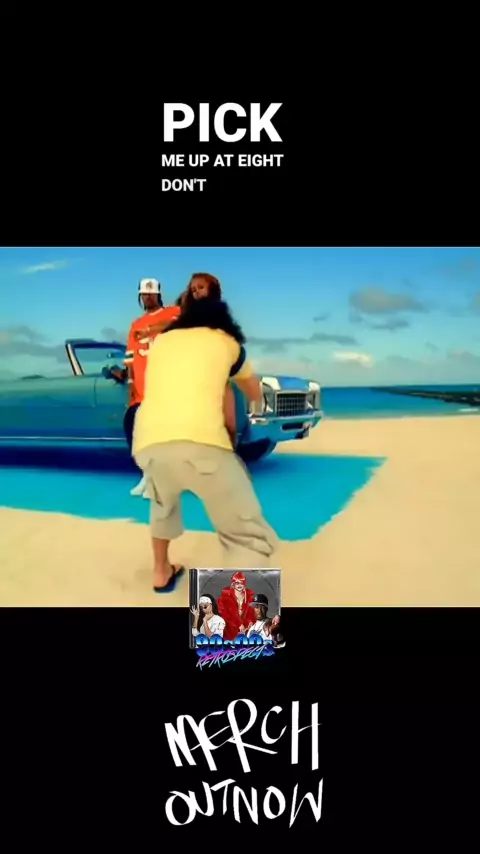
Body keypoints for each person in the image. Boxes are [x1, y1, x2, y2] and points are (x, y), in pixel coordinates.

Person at [132, 294, 278, 592]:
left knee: (163, 504)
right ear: (224, 319)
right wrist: (256, 406)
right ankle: (236, 620)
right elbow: (252, 392)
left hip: (148, 443)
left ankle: (161, 572)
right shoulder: (227, 343)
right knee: (246, 537)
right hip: (202, 443)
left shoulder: (163, 341)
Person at [122, 278, 180, 495]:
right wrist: (130, 382)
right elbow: (130, 357)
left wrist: (152, 329)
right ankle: (147, 476)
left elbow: (179, 326)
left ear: (158, 294)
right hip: (141, 387)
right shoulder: (135, 324)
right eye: (144, 294)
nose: (147, 297)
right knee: (137, 430)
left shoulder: (173, 313)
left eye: (151, 293)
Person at [217, 572, 257, 640]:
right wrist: (238, 624)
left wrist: (250, 622)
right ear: (233, 584)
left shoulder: (249, 598)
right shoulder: (224, 598)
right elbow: (224, 615)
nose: (239, 585)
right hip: (229, 631)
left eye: (241, 583)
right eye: (237, 583)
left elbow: (252, 614)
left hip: (245, 632)